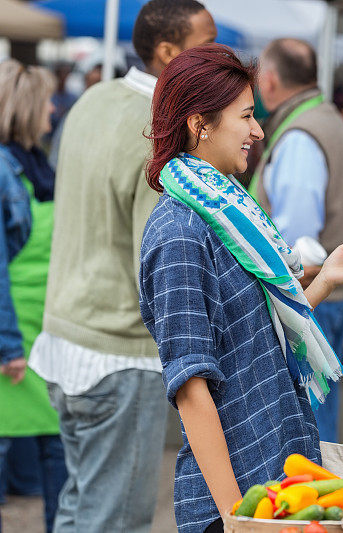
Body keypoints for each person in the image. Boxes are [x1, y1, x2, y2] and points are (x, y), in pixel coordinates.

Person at [139, 43, 343, 533]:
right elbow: (190, 387)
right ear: (198, 124)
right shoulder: (180, 232)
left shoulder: (226, 211)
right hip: (238, 498)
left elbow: (255, 343)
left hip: (275, 483)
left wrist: (326, 278)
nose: (258, 130)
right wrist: (235, 517)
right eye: (246, 116)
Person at [27, 2, 217, 532]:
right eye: (209, 43)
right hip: (118, 353)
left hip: (66, 339)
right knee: (113, 521)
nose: (220, 57)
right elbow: (156, 262)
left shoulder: (92, 98)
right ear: (168, 53)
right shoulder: (158, 126)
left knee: (79, 508)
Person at [250, 38, 343, 443]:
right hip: (326, 296)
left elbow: (296, 243)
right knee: (316, 419)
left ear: (269, 81)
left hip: (310, 298)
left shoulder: (300, 134)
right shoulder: (325, 118)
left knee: (305, 427)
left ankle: (315, 502)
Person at [0, 60, 67, 533]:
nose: (54, 107)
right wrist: (8, 346)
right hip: (13, 338)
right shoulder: (6, 174)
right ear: (25, 108)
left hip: (45, 333)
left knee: (56, 448)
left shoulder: (38, 165)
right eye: (46, 99)